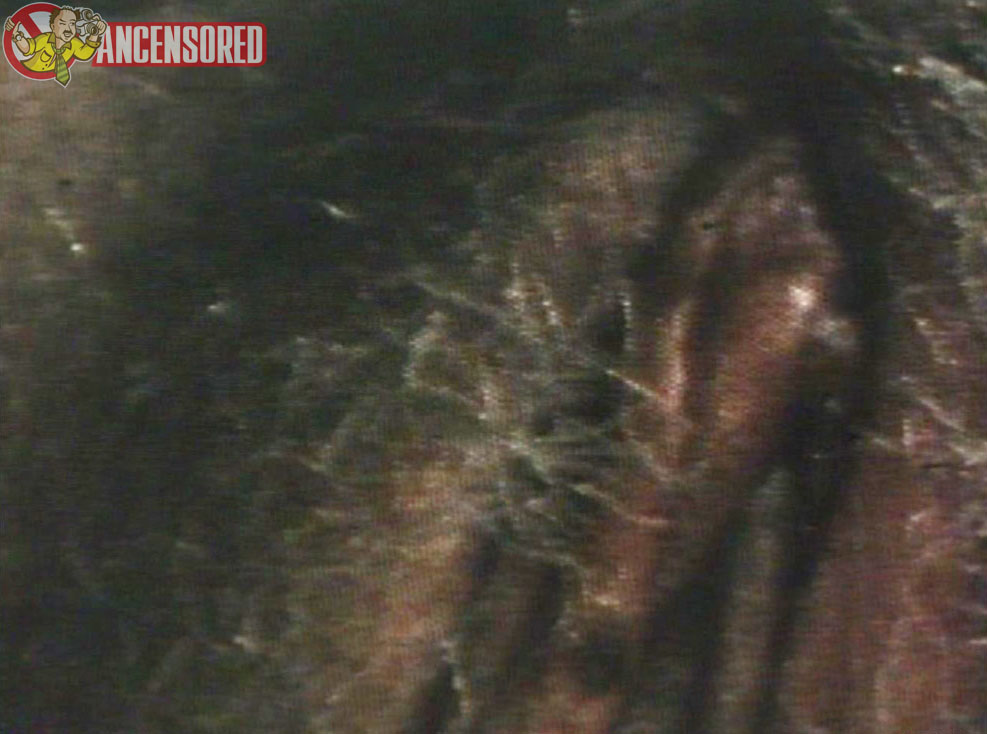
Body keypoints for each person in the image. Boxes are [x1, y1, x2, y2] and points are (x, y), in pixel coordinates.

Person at [5, 5, 105, 86]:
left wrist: (95, 34)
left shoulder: (74, 43)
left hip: (51, 84)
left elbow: (85, 54)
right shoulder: (45, 39)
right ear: (53, 27)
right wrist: (16, 35)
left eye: (72, 24)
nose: (68, 29)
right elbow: (27, 48)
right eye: (62, 24)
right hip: (28, 76)